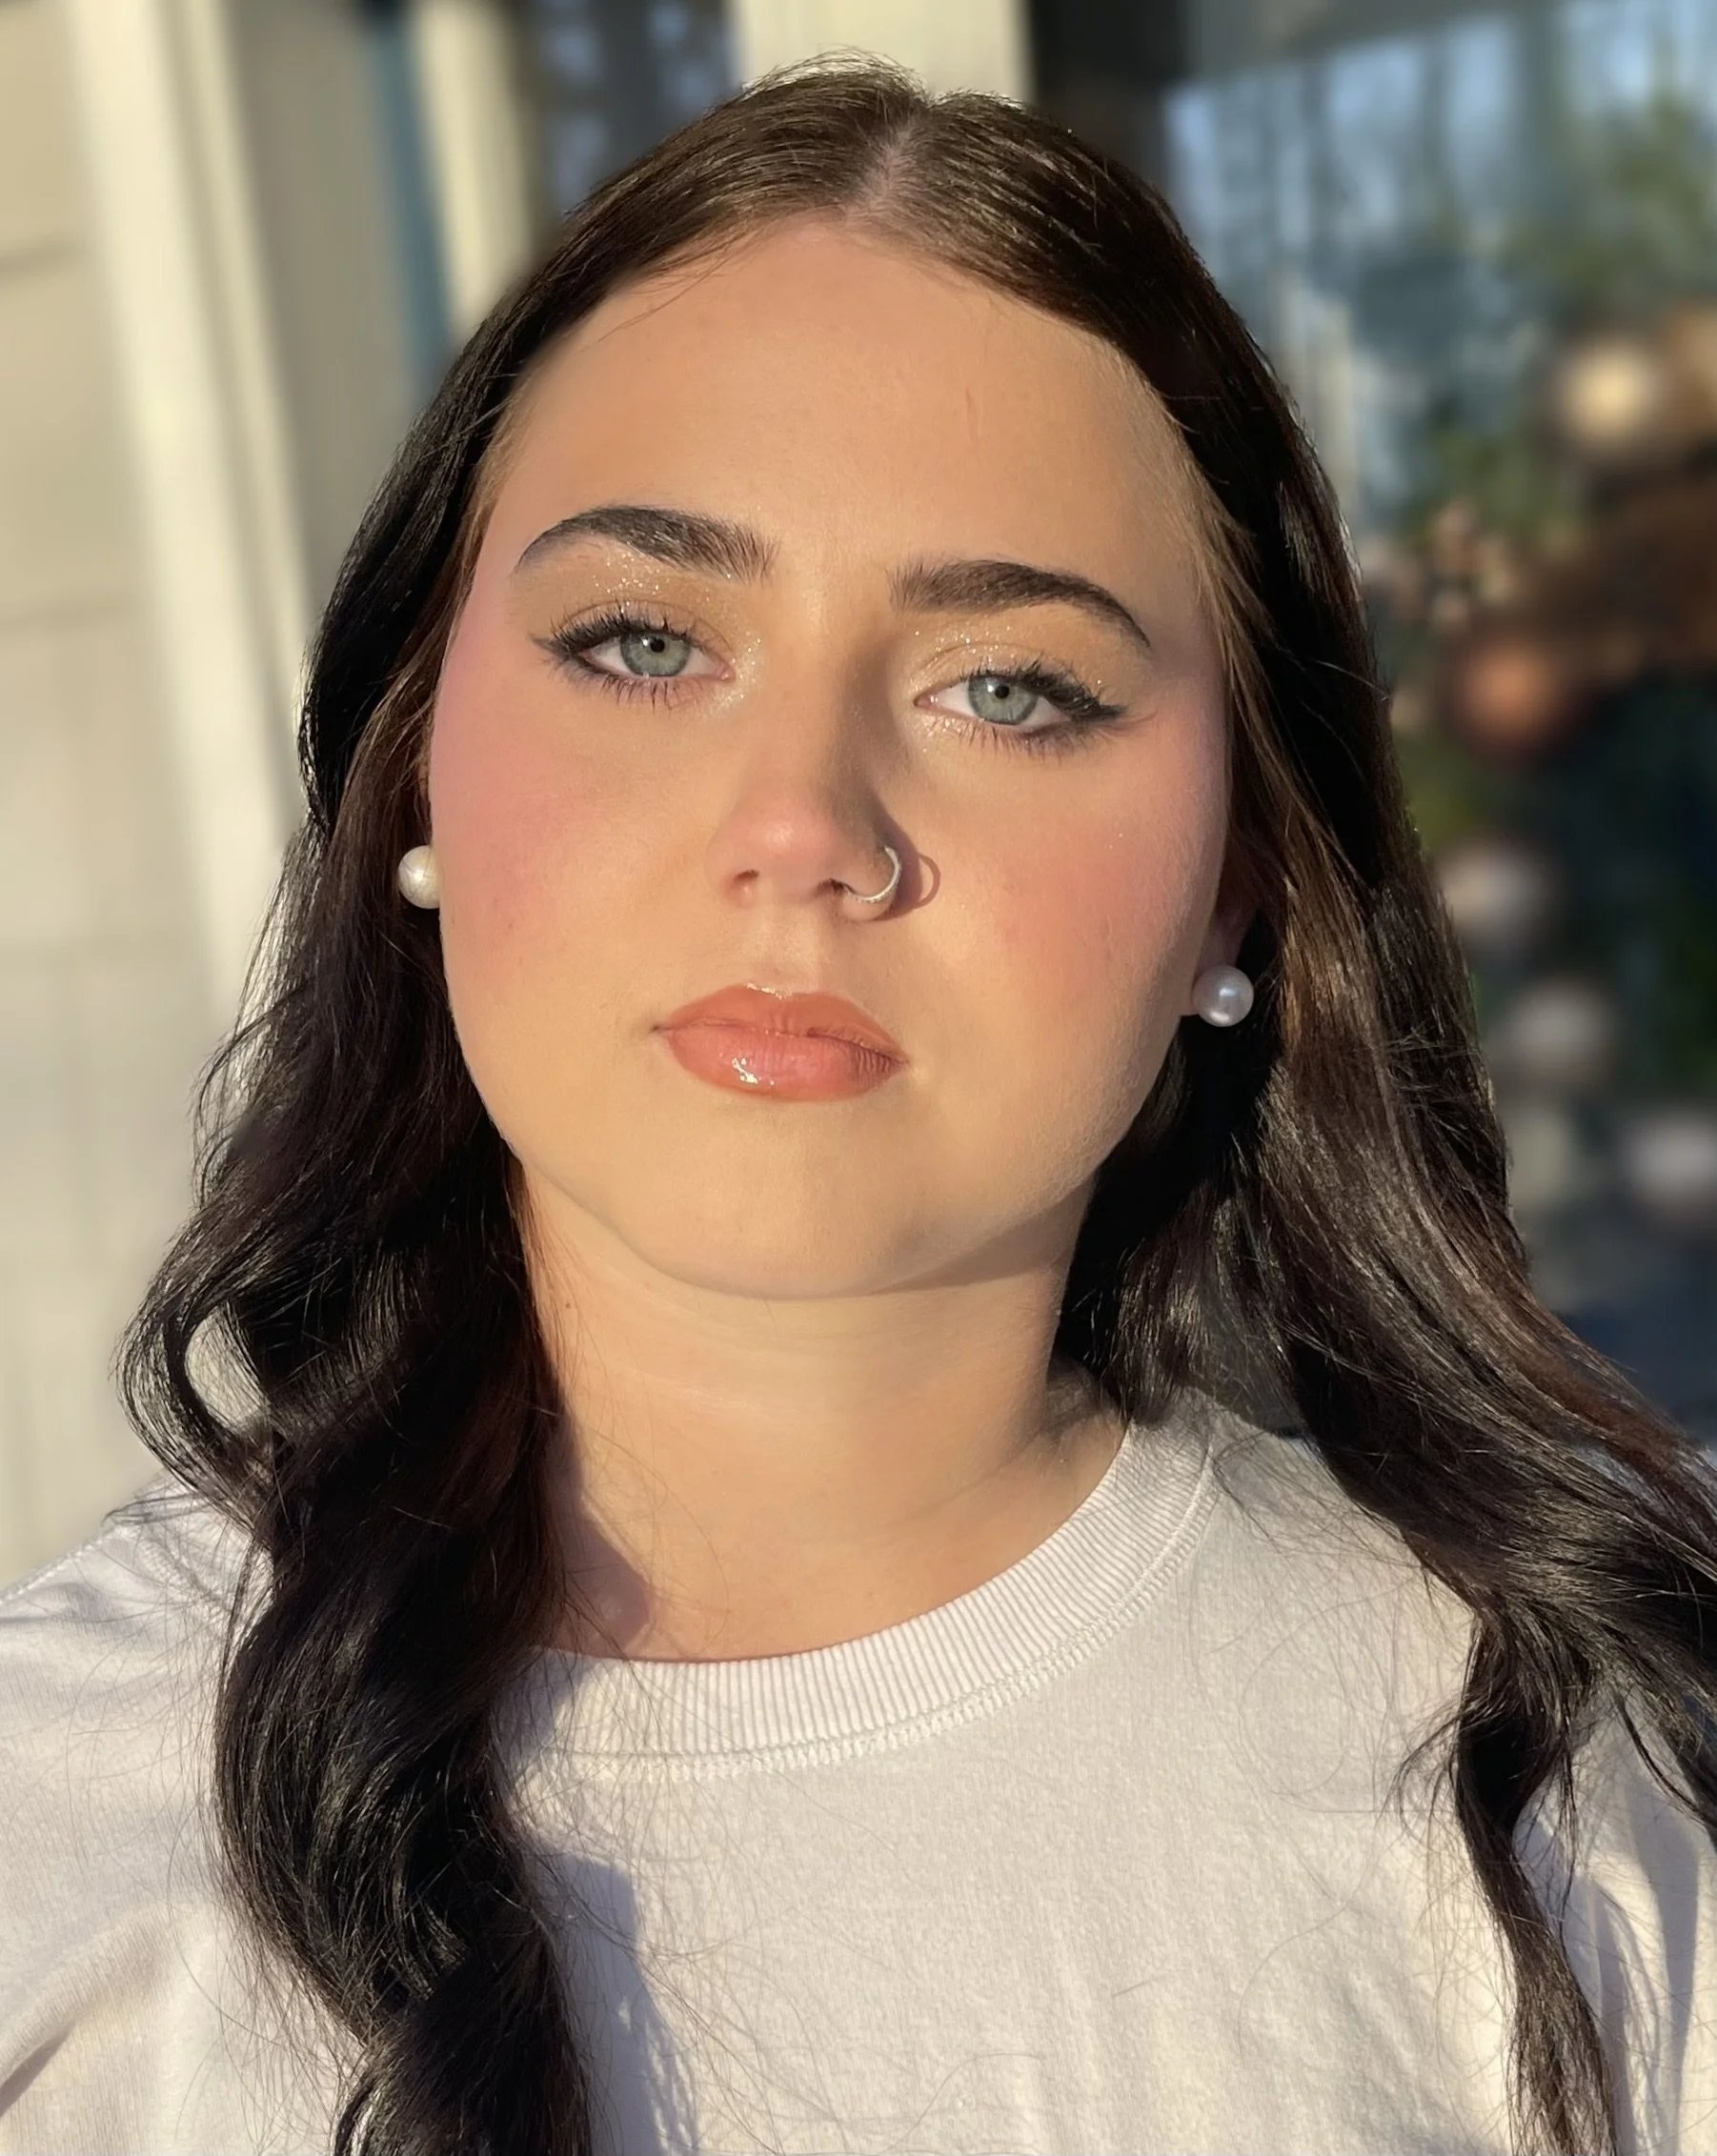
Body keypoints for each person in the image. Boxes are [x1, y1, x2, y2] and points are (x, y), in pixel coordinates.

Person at [3, 55, 1716, 2156]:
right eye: (642, 641)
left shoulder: (1586, 1750)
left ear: (1237, 885)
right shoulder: (49, 1813)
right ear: (414, 766)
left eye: (1009, 687)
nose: (803, 830)